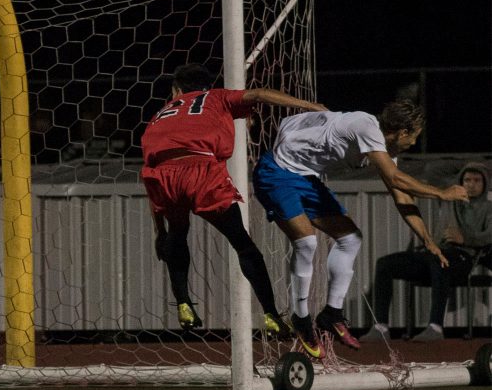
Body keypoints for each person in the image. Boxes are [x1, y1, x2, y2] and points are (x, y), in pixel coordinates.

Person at [252, 99, 469, 359]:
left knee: (350, 238)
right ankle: (301, 317)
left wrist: (427, 239)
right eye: (414, 137)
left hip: (304, 176)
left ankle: (331, 313)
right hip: (276, 171)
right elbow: (396, 178)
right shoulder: (366, 126)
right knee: (307, 242)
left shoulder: (381, 149)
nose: (413, 144)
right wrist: (441, 193)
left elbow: (402, 197)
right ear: (402, 132)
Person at [140, 63, 327, 336]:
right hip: (201, 170)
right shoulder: (215, 96)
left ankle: (183, 302)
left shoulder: (159, 115)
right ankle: (271, 315)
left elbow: (149, 173)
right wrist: (309, 106)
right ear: (206, 87)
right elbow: (260, 94)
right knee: (243, 244)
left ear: (176, 91)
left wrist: (160, 232)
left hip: (162, 178)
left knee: (177, 234)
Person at [364, 162, 491, 342]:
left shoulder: (488, 208)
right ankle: (380, 327)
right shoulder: (450, 199)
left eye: (477, 180)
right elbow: (433, 170)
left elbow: (489, 236)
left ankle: (435, 327)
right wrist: (463, 165)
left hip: (463, 258)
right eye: (467, 179)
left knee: (440, 260)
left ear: (485, 183)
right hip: (434, 253)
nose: (471, 184)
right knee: (385, 264)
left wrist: (465, 238)